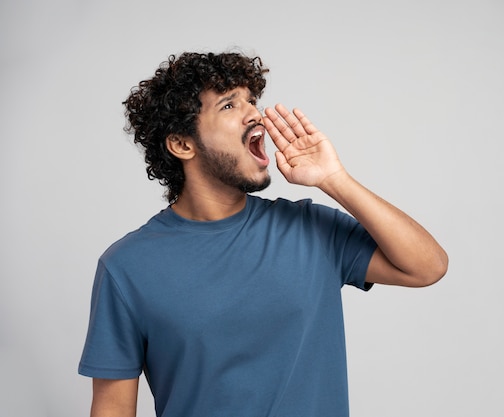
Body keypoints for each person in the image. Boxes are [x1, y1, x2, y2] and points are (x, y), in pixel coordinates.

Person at [78, 51, 448, 417]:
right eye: (228, 106)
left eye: (251, 100)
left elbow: (427, 266)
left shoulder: (310, 229)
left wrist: (335, 180)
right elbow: (112, 409)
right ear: (182, 144)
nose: (255, 113)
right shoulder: (127, 267)